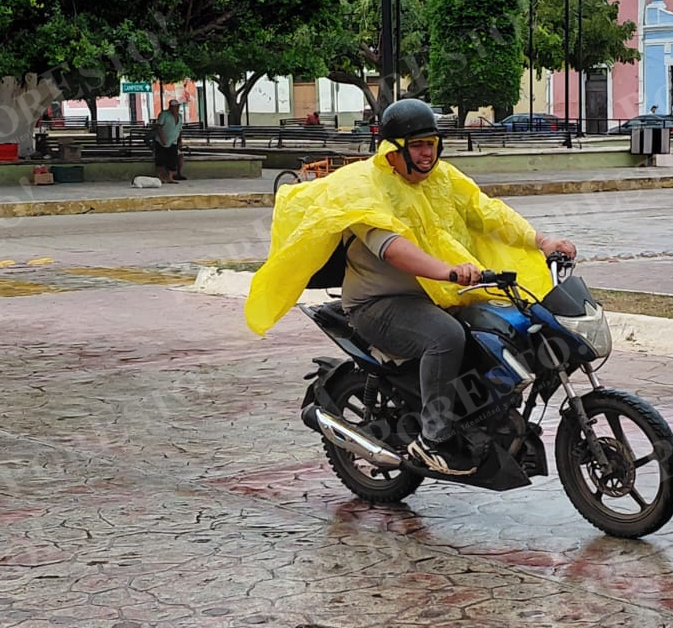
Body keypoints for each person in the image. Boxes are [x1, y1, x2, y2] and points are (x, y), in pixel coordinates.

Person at [245, 99, 576, 476]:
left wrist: (541, 241)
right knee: (446, 337)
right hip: (379, 303)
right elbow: (395, 250)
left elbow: (488, 212)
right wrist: (449, 272)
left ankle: (484, 418)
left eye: (431, 144)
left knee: (501, 327)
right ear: (394, 150)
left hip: (433, 293)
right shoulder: (366, 187)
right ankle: (433, 440)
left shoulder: (443, 179)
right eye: (416, 145)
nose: (425, 153)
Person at [153, 99, 186, 183]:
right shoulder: (164, 114)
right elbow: (159, 127)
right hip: (161, 142)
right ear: (170, 107)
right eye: (174, 107)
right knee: (160, 160)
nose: (176, 108)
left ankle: (170, 177)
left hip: (173, 141)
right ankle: (159, 177)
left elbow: (179, 129)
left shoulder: (179, 116)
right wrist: (162, 138)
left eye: (177, 106)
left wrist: (180, 141)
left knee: (173, 159)